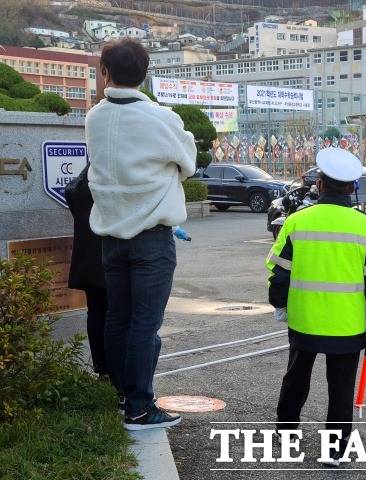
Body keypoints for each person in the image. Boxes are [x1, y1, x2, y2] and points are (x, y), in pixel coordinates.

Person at [86, 39, 197, 430]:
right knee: (145, 324)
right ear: (146, 73)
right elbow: (188, 164)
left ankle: (121, 394)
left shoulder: (94, 118)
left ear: (104, 71)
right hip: (151, 237)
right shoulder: (162, 117)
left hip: (111, 236)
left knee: (118, 317)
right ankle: (139, 407)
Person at [265, 148, 366, 467]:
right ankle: (335, 450)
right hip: (347, 325)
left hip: (304, 320)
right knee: (340, 386)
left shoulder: (296, 222)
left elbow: (279, 271)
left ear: (319, 185)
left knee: (296, 376)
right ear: (352, 188)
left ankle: (286, 432)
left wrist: (279, 304)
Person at [64, 164, 108, 378]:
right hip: (106, 258)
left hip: (86, 260)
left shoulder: (79, 184)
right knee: (114, 315)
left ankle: (102, 370)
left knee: (96, 312)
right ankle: (114, 371)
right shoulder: (105, 181)